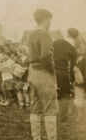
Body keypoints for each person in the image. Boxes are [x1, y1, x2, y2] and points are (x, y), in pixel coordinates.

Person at [28, 9, 58, 140]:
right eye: (50, 19)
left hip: (32, 72)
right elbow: (45, 55)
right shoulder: (45, 34)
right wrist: (52, 72)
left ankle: (36, 137)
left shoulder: (31, 34)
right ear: (45, 19)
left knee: (35, 106)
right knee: (50, 108)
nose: (50, 22)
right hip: (43, 72)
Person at [53, 32, 77, 121]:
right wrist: (72, 80)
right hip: (63, 72)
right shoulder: (73, 49)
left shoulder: (56, 42)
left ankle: (53, 114)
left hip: (51, 71)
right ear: (76, 38)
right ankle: (63, 117)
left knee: (55, 93)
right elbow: (72, 66)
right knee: (65, 94)